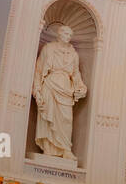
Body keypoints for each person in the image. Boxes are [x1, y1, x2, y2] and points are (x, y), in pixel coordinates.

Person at [32, 24, 86, 161]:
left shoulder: (74, 54)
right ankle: (48, 149)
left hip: (66, 88)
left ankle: (65, 149)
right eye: (65, 33)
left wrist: (81, 87)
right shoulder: (48, 49)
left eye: (70, 34)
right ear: (59, 34)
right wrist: (37, 90)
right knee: (48, 117)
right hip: (49, 85)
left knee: (66, 119)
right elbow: (38, 70)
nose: (68, 37)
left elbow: (75, 74)